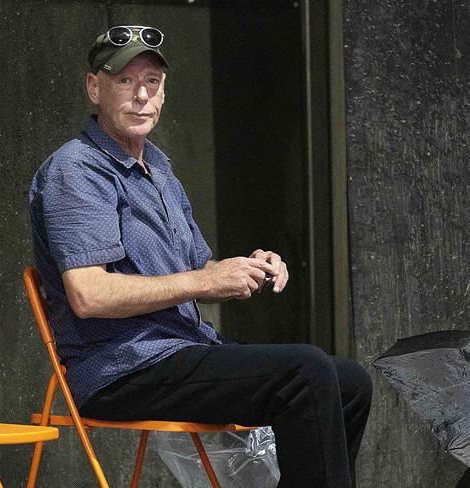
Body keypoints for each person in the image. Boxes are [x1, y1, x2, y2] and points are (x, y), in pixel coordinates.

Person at [29, 25, 372, 488]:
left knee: (349, 380)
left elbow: (199, 271)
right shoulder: (77, 170)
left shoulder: (159, 167)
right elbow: (89, 295)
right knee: (305, 372)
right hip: (121, 367)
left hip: (182, 350)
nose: (141, 96)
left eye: (151, 82)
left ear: (164, 94)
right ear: (95, 87)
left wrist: (247, 268)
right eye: (125, 81)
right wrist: (206, 283)